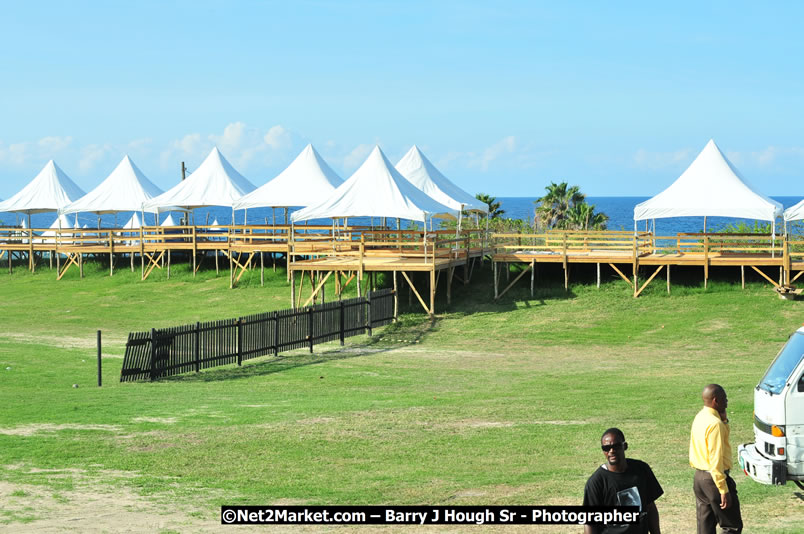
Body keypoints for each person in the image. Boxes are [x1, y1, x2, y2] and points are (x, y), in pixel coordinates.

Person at [583, 427, 663, 534]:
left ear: (625, 446)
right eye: (606, 448)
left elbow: (650, 507)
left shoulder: (641, 470)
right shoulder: (596, 482)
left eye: (616, 446)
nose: (611, 451)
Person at [689, 384, 743, 533]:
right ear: (715, 401)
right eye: (724, 399)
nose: (727, 401)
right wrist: (723, 488)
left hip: (700, 478)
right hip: (713, 479)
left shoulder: (701, 416)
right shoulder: (715, 424)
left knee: (705, 527)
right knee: (732, 526)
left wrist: (725, 421)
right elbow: (715, 458)